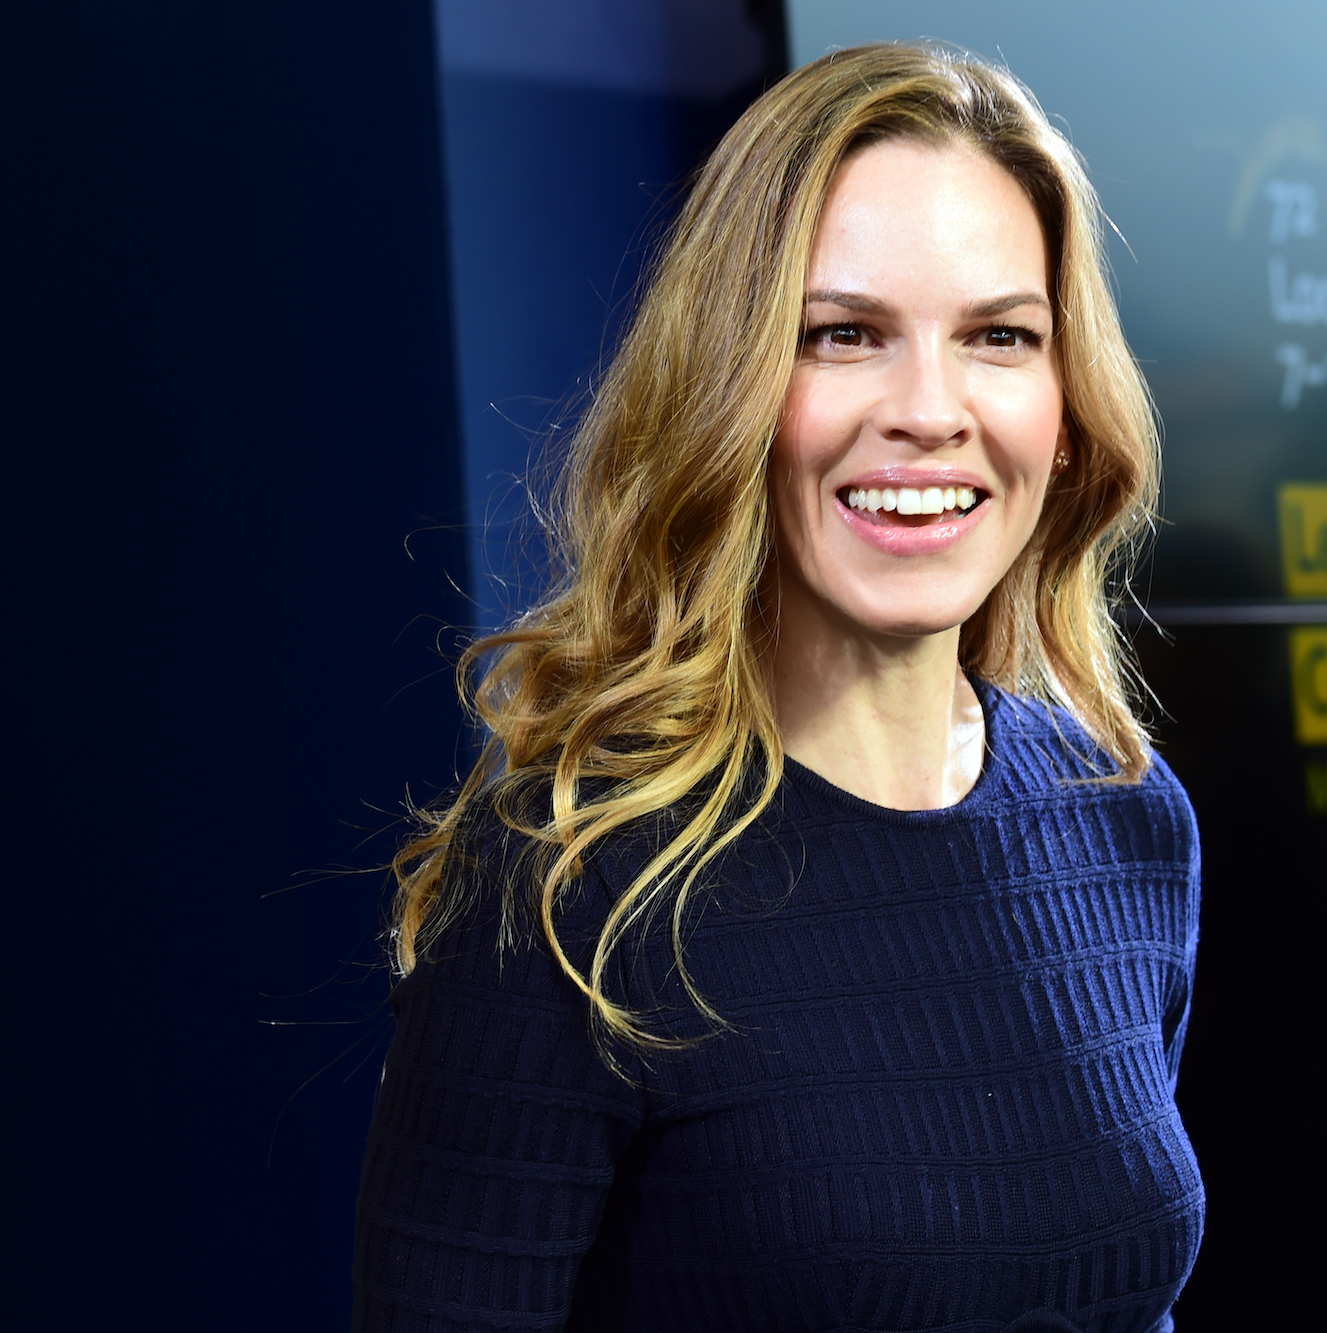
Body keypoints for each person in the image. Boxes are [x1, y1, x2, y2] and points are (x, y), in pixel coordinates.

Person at [354, 42, 1202, 1332]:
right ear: (733, 387)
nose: (932, 409)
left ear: (1067, 404)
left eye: (1000, 338)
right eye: (844, 336)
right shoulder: (574, 881)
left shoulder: (1128, 820)